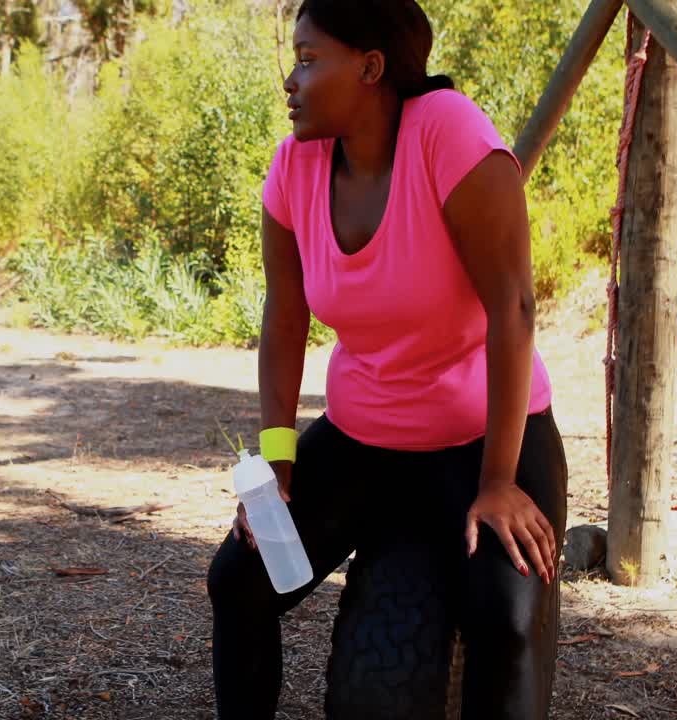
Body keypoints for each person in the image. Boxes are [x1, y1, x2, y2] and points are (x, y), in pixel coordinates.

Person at [205, 1, 569, 718]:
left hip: (484, 441)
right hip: (365, 442)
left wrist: (498, 481)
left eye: (310, 60)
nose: (291, 79)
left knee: (505, 616)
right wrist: (278, 467)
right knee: (238, 581)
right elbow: (284, 319)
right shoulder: (294, 166)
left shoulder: (448, 132)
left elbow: (513, 306)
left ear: (370, 67)